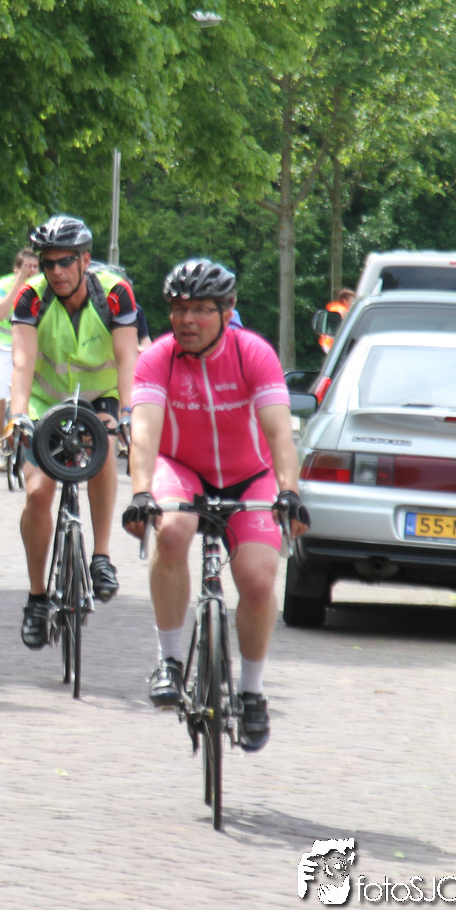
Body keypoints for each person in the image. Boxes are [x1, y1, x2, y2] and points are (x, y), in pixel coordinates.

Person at [119, 258, 310, 752]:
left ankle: (251, 693)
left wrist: (289, 490)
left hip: (251, 476)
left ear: (228, 312)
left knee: (258, 579)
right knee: (171, 531)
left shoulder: (253, 354)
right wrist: (141, 492)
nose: (187, 320)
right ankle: (169, 660)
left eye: (201, 309)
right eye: (179, 309)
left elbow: (279, 433)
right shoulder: (157, 359)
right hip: (181, 467)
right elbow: (145, 434)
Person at [6, 215, 142, 649]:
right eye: (48, 263)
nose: (56, 271)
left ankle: (101, 557)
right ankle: (37, 598)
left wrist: (127, 413)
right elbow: (22, 363)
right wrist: (18, 415)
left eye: (65, 261)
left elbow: (128, 359)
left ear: (85, 260)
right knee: (37, 494)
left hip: (100, 397)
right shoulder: (31, 297)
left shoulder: (114, 293)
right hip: (45, 402)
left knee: (101, 448)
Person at [0, 248, 39, 472]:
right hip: (6, 349)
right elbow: (0, 313)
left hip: (32, 349)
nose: (31, 271)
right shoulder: (4, 284)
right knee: (2, 399)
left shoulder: (43, 287)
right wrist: (18, 284)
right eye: (27, 267)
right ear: (16, 269)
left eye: (35, 267)